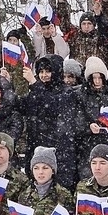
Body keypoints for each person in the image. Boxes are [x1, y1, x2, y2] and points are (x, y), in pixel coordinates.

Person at [17, 54, 82, 189]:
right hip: (36, 148)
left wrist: (35, 85)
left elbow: (52, 106)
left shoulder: (67, 92)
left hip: (59, 153)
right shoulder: (37, 90)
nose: (44, 75)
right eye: (41, 72)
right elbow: (21, 106)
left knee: (59, 194)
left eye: (47, 71)